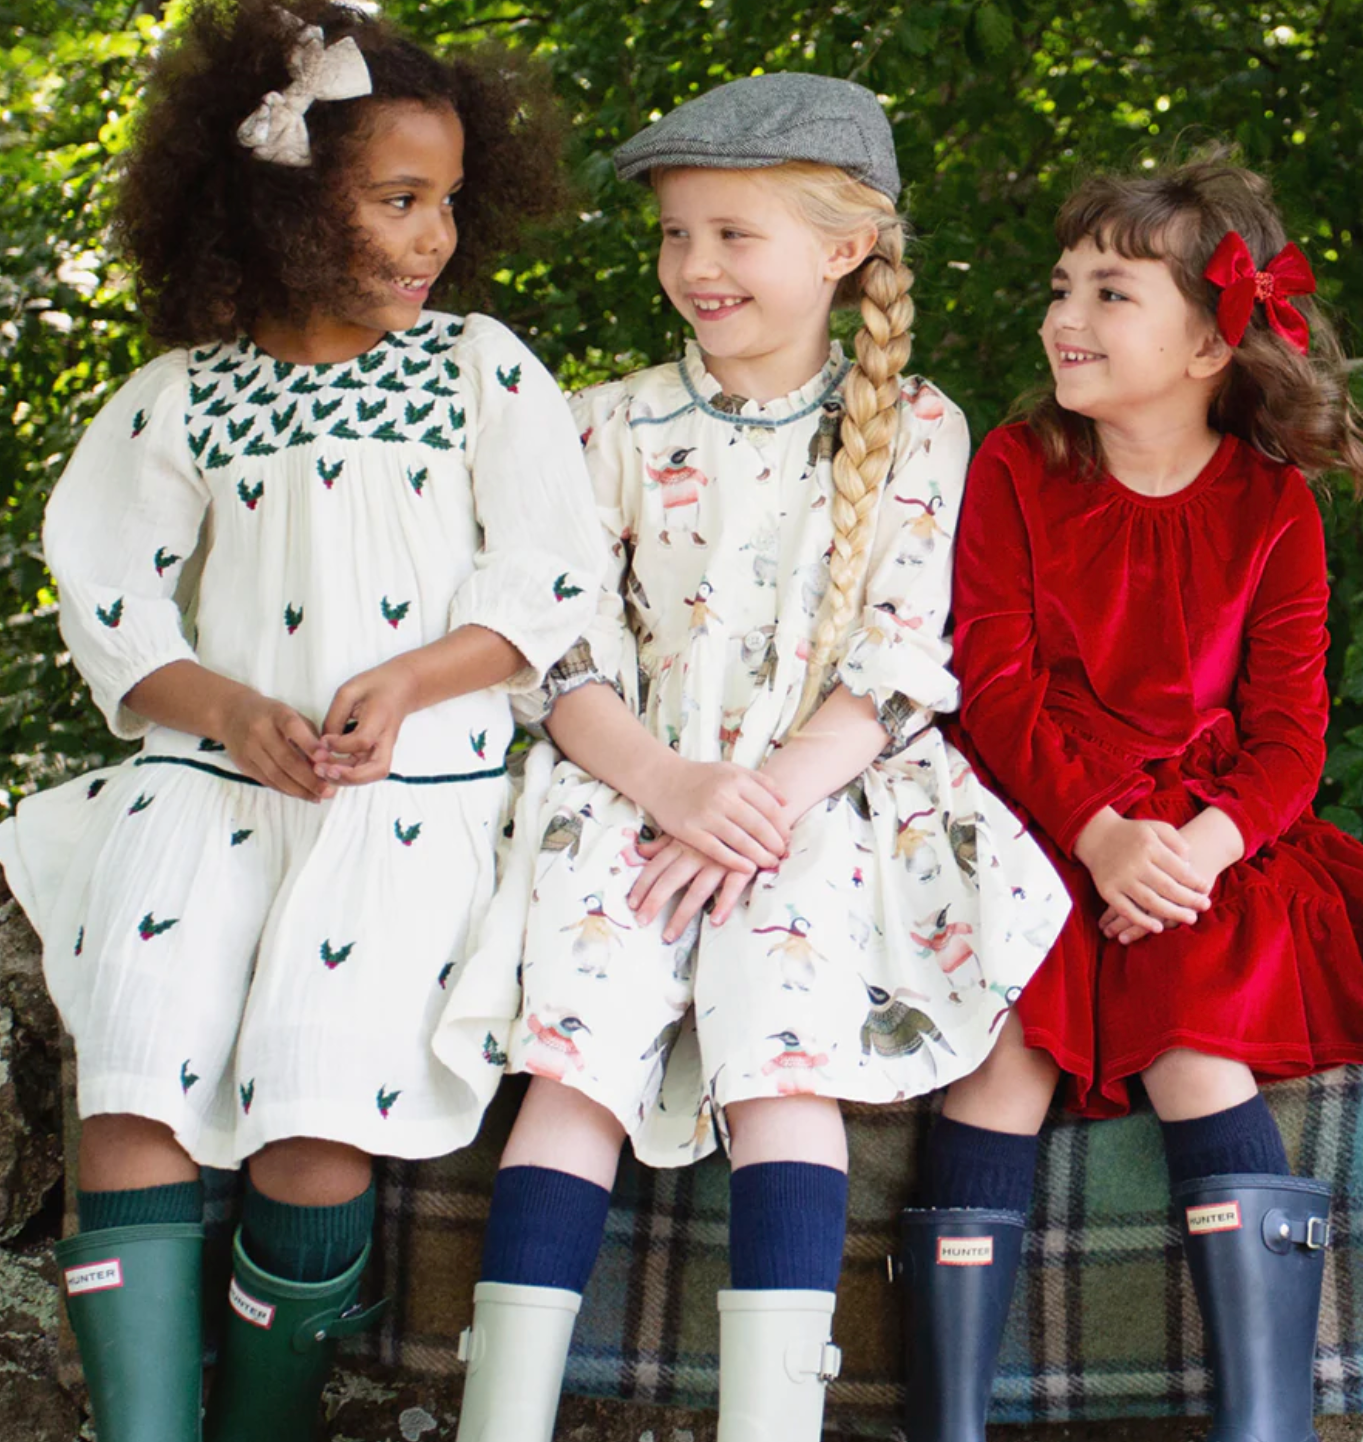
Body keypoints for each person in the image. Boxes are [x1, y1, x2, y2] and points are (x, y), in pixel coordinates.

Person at [0, 4, 604, 1438]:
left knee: (318, 1103)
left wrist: (416, 676)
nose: (435, 233)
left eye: (447, 200)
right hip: (205, 786)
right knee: (133, 1071)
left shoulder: (478, 370)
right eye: (398, 200)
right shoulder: (183, 399)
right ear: (283, 201)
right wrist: (225, 708)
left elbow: (547, 574)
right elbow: (111, 599)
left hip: (407, 799)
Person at [432, 72, 1069, 1442]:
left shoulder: (918, 428)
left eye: (732, 233)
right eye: (675, 235)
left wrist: (758, 800)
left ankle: (769, 1423)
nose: (694, 265)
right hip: (627, 786)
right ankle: (500, 1418)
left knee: (782, 1053)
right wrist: (670, 787)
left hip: (816, 798)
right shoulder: (599, 424)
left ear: (843, 250)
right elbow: (555, 653)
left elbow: (900, 667)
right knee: (574, 1054)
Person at [897, 150, 1363, 1442]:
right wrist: (1098, 832)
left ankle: (1262, 1419)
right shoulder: (1014, 465)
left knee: (1189, 1031)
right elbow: (992, 686)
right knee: (998, 1056)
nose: (1063, 317)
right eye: (1061, 286)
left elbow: (1287, 736)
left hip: (1210, 840)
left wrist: (1192, 851)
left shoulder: (1272, 506)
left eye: (1109, 293)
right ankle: (943, 1421)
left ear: (1213, 340)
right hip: (1039, 813)